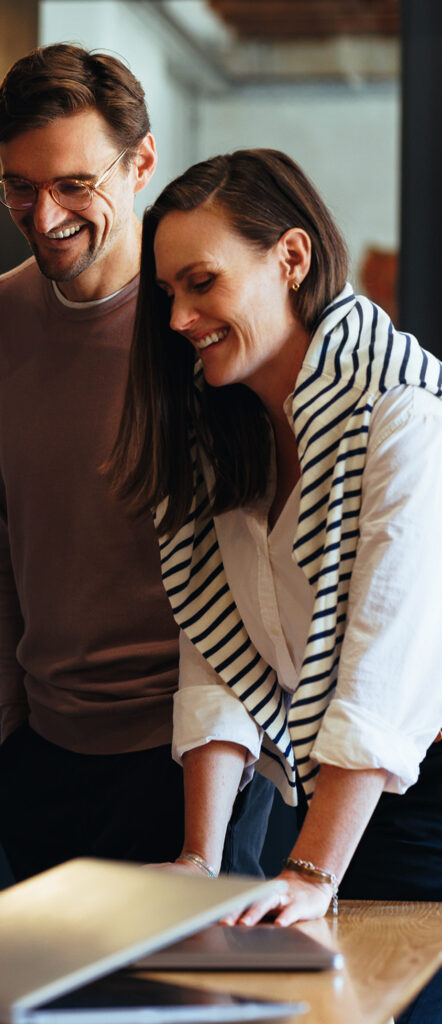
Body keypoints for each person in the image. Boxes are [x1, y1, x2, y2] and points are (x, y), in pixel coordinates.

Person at [109, 148, 442, 924]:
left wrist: (309, 871)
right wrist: (202, 857)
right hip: (331, 796)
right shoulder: (225, 431)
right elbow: (215, 649)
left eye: (203, 283)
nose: (179, 320)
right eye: (167, 293)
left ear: (292, 257)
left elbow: (383, 665)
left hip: (419, 802)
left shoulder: (404, 412)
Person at [0, 43, 273, 882]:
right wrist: (12, 722)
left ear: (141, 162)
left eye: (73, 184)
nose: (45, 215)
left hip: (194, 759)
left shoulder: (203, 321)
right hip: (46, 757)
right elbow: (5, 538)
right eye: (19, 188)